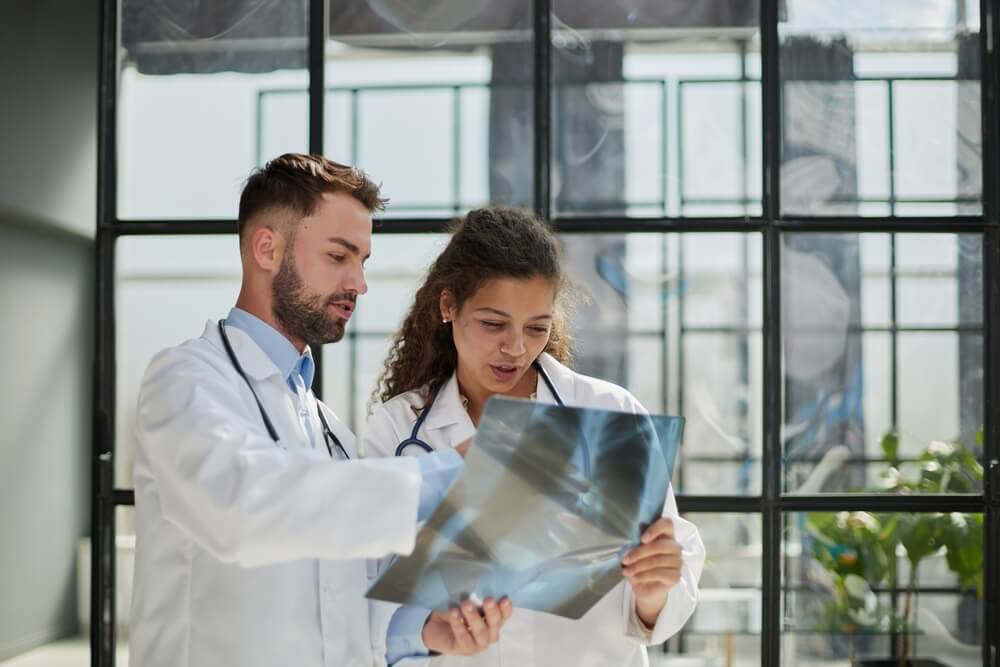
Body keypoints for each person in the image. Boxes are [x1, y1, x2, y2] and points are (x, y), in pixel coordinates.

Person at [129, 154, 511, 667]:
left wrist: (425, 630)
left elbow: (343, 597)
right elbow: (242, 507)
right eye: (339, 256)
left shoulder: (329, 427)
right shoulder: (184, 379)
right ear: (267, 248)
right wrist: (451, 472)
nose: (359, 283)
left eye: (363, 262)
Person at [363, 206, 705, 666]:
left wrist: (653, 589)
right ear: (448, 306)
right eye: (493, 324)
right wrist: (430, 629)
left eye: (536, 328)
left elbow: (657, 600)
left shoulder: (609, 413)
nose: (516, 348)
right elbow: (367, 596)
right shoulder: (397, 429)